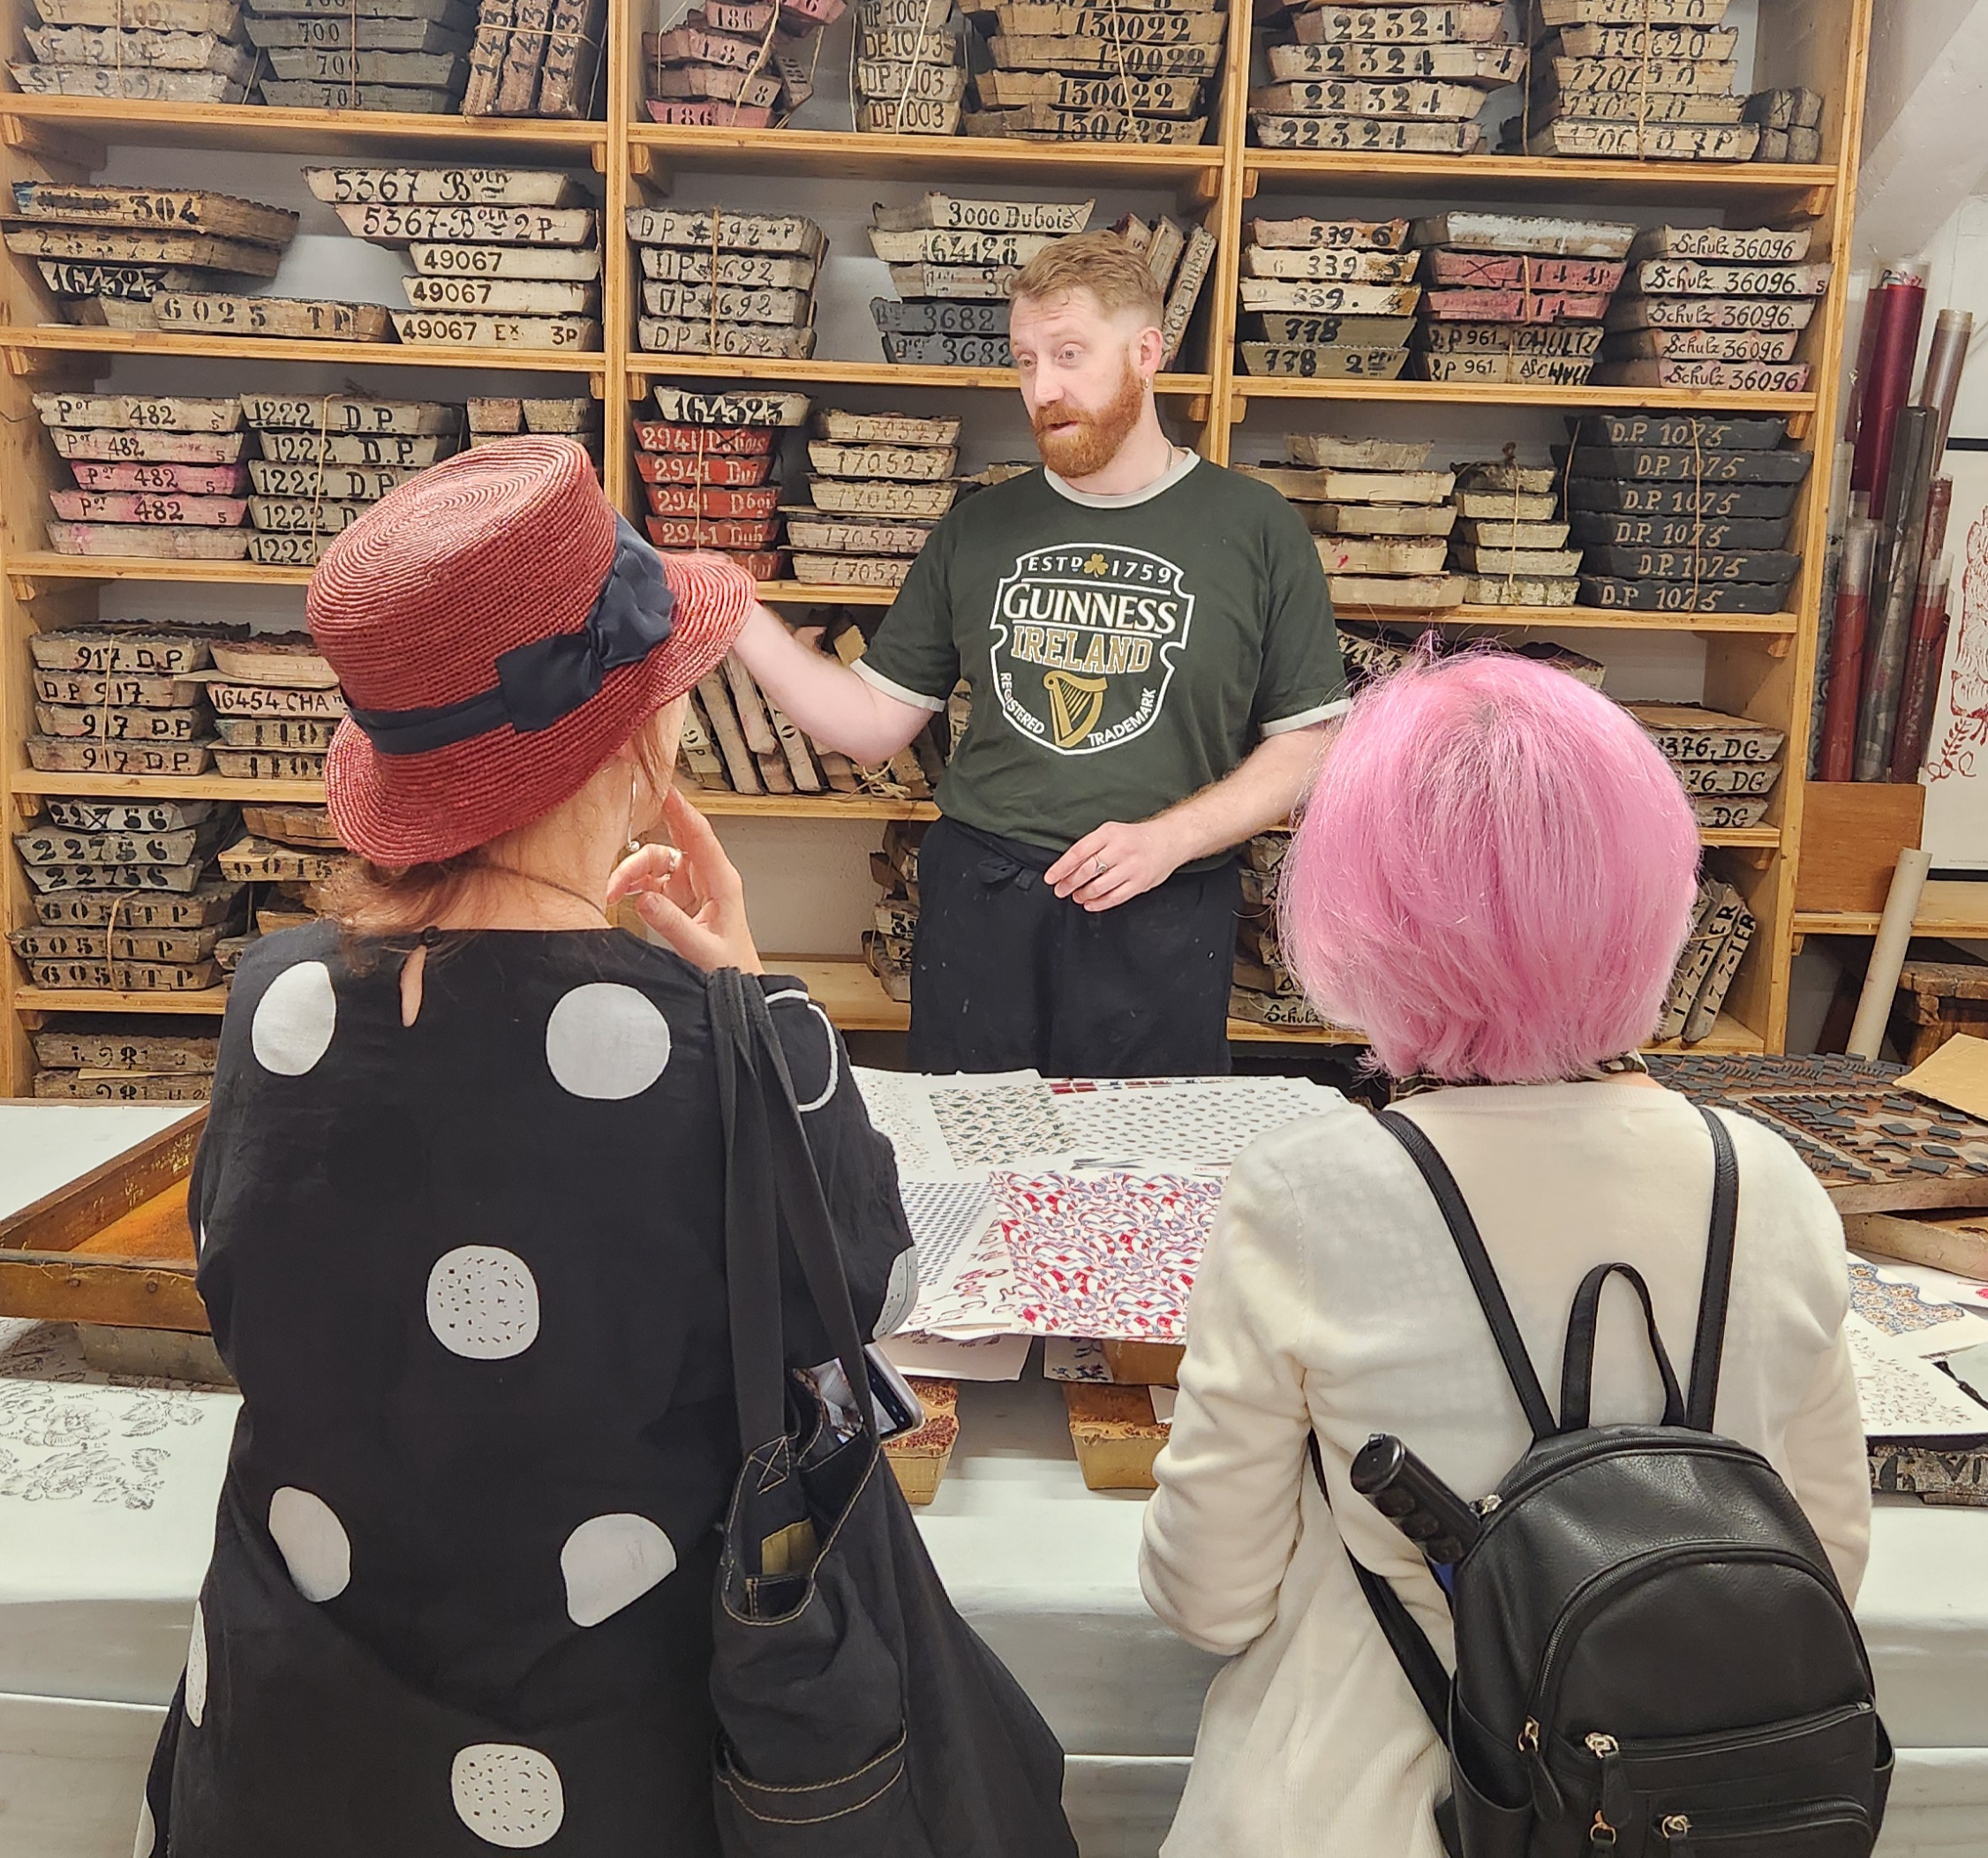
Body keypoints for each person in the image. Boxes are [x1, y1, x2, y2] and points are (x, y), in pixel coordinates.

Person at [141, 440, 915, 1858]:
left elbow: (249, 1285)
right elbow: (861, 1295)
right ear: (640, 738)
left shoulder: (274, 1003)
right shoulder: (723, 1046)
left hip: (291, 1738)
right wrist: (759, 1004)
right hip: (602, 1753)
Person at [1138, 651, 1869, 1858]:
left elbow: (1207, 1598)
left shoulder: (1312, 1194)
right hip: (1681, 1812)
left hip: (1363, 1806)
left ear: (1355, 913)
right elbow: (1827, 1566)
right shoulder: (1769, 1182)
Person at [734, 231, 1347, 1075]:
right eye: (1025, 361)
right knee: (970, 1147)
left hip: (1163, 914)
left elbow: (1309, 740)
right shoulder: (980, 526)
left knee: (1140, 1153)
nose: (1043, 388)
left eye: (1069, 354)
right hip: (984, 910)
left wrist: (1171, 838)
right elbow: (874, 722)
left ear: (1146, 354)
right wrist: (739, 619)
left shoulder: (1257, 528)